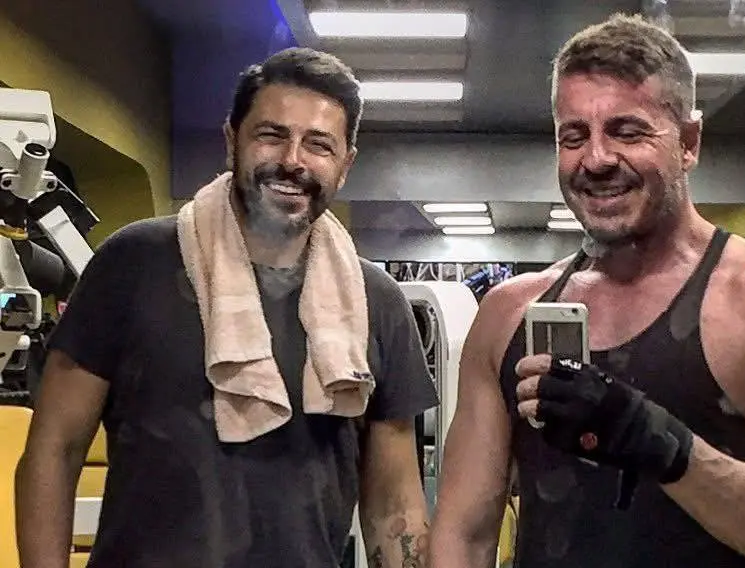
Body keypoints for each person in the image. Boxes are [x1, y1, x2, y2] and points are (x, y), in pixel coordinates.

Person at [430, 14, 745, 568]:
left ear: (688, 142)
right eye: (574, 137)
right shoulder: (508, 313)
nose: (596, 159)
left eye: (627, 132)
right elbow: (464, 535)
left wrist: (652, 440)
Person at [16, 47, 437, 568]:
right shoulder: (132, 262)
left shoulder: (378, 302)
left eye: (319, 145)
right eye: (271, 135)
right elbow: (54, 449)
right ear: (231, 140)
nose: (293, 160)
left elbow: (394, 503)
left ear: (345, 165)